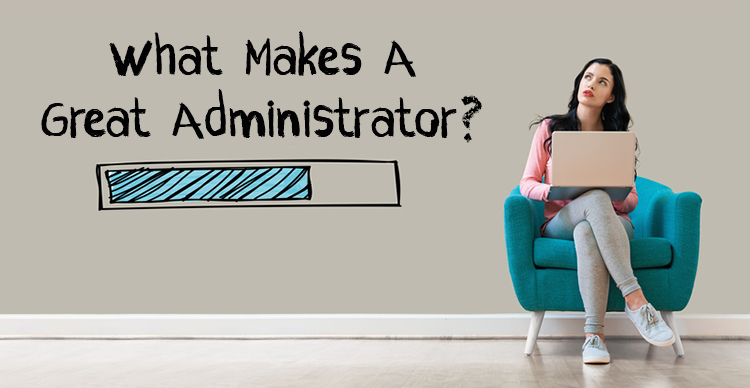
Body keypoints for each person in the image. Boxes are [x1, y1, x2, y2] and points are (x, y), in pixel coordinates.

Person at [520, 58, 675, 364]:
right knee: (591, 202)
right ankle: (636, 300)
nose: (590, 84)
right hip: (559, 220)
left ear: (611, 96)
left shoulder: (618, 137)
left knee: (589, 223)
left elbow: (631, 200)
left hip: (611, 221)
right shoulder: (551, 129)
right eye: (588, 77)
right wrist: (553, 191)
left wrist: (612, 197)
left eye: (601, 82)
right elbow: (526, 184)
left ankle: (594, 337)